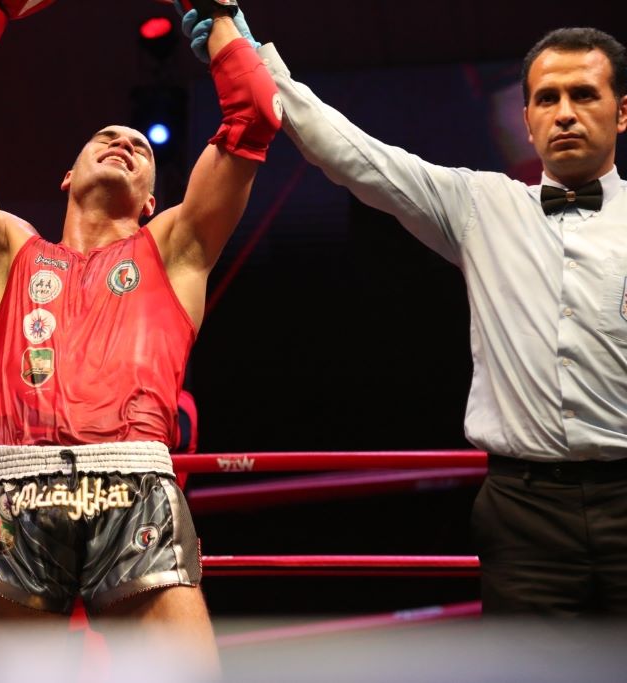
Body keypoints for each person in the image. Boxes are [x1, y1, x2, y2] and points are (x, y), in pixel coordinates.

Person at [180, 7, 627, 616]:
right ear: (526, 120)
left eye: (584, 94)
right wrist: (250, 58)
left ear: (621, 111)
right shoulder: (482, 205)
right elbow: (351, 153)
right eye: (547, 98)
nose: (565, 112)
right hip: (525, 513)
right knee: (531, 664)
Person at [0, 0, 279, 669]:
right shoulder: (8, 251)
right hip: (17, 486)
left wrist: (214, 13)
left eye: (142, 147)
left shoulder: (175, 246)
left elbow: (256, 117)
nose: (126, 142)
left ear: (152, 199)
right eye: (107, 136)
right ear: (68, 176)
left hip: (134, 485)